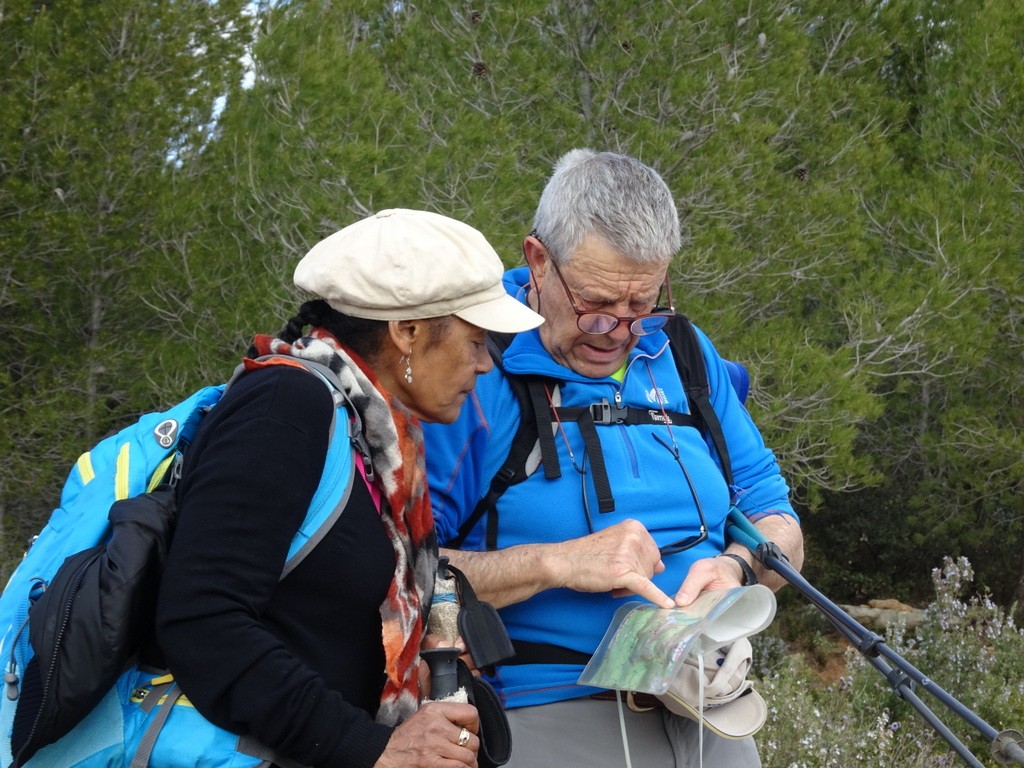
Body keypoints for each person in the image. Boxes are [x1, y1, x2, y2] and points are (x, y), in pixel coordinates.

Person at [421, 150, 805, 767]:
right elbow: (400, 569)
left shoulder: (682, 350)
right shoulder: (473, 366)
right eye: (596, 304)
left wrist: (736, 570)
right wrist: (558, 562)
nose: (619, 332)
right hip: (543, 712)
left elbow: (773, 513)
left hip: (711, 710)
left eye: (642, 305)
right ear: (537, 260)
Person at [155, 209, 543, 768]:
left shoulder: (380, 435)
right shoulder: (284, 409)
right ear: (407, 331)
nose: (486, 364)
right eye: (478, 339)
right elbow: (202, 620)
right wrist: (371, 749)